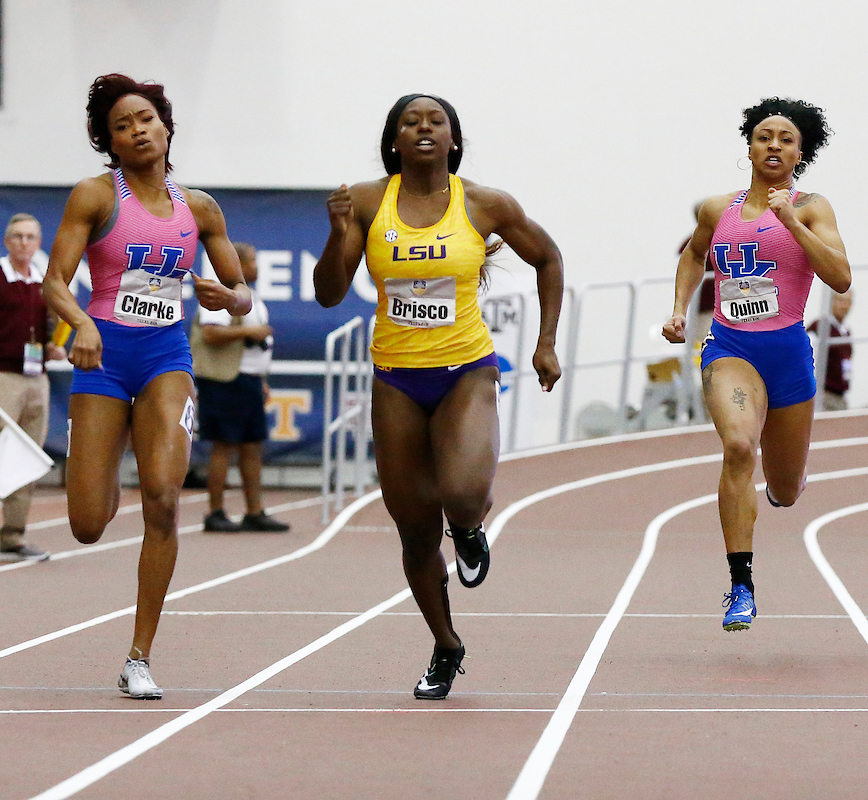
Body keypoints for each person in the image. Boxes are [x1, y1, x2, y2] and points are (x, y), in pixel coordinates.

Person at [313, 93, 563, 699]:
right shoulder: (371, 202)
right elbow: (328, 293)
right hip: (396, 374)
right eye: (410, 122)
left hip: (465, 369)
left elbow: (548, 258)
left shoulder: (484, 203)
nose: (423, 128)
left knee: (460, 491)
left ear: (454, 140)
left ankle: (471, 527)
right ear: (393, 140)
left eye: (436, 122)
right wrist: (340, 231)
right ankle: (446, 645)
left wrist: (545, 343)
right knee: (414, 530)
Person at [41, 74, 252, 698]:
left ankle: (139, 655)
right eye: (121, 126)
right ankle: (104, 462)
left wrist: (228, 298)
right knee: (85, 524)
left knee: (163, 498)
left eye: (144, 119)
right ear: (108, 141)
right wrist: (78, 320)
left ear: (165, 125)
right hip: (103, 357)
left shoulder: (202, 208)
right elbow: (55, 281)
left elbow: (240, 293)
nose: (136, 130)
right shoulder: (94, 197)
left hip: (166, 359)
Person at [663, 97, 851, 632]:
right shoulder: (717, 209)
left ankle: (781, 483)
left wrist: (792, 221)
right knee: (740, 446)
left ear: (800, 153)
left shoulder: (813, 207)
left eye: (786, 139)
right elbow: (694, 254)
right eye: (765, 136)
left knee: (785, 492)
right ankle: (741, 585)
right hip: (731, 349)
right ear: (749, 145)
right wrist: (679, 310)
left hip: (788, 352)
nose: (774, 145)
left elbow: (840, 277)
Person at [191, 242, 289, 533]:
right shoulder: (221, 294)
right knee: (223, 445)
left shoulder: (252, 297)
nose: (257, 266)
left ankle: (254, 511)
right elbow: (210, 333)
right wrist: (250, 331)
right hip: (225, 380)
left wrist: (262, 381)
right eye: (254, 260)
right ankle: (216, 512)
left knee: (252, 447)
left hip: (248, 379)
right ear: (239, 265)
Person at [1, 213, 66, 561]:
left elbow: (53, 324)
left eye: (30, 237)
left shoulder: (44, 280)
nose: (24, 243)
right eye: (18, 236)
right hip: (3, 377)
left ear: (39, 243)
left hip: (37, 377)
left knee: (26, 457)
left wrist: (54, 345)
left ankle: (12, 536)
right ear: (7, 240)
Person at [806, 289, 853, 411]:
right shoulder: (819, 327)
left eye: (848, 302)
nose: (844, 306)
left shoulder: (845, 331)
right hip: (824, 395)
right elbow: (806, 359)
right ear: (831, 302)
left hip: (840, 395)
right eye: (841, 301)